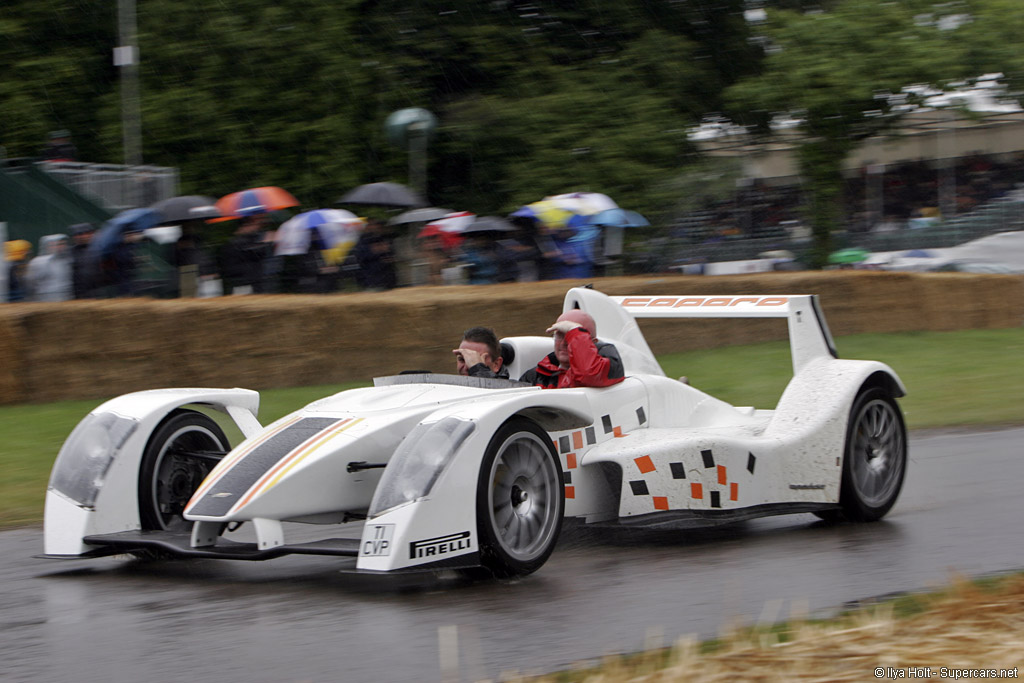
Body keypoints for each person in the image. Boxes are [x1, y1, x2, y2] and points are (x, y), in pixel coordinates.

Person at [520, 310, 624, 389]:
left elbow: (588, 374)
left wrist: (575, 330)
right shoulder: (535, 376)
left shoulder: (610, 367)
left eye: (572, 337)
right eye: (560, 335)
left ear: (593, 343)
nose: (564, 342)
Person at [26, 234, 73, 301]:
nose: (59, 247)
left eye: (62, 244)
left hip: (66, 299)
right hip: (45, 299)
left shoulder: (67, 260)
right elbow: (31, 283)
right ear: (47, 246)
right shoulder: (38, 262)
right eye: (55, 245)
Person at [69, 223, 97, 299]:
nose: (82, 236)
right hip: (77, 293)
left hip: (98, 292)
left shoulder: (100, 249)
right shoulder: (69, 252)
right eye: (78, 234)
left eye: (87, 233)